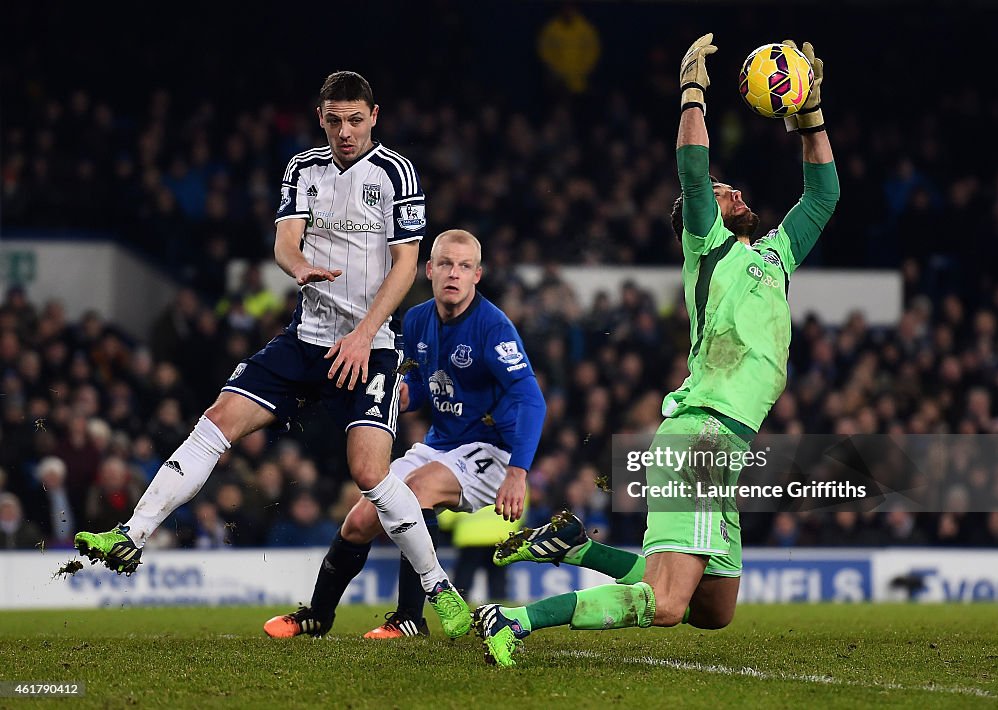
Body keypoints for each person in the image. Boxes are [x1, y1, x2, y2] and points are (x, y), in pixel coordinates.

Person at [472, 34, 840, 666]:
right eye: (723, 192)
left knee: (712, 610)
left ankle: (575, 550)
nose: (731, 191)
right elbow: (692, 173)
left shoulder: (774, 258)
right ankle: (511, 619)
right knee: (665, 603)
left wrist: (810, 118)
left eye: (729, 189)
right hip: (702, 438)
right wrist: (692, 93)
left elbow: (823, 196)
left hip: (727, 443)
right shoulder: (709, 246)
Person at [74, 71, 474, 638]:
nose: (345, 131)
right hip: (305, 338)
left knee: (370, 473)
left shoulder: (394, 173)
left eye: (356, 119)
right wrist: (298, 266)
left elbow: (407, 263)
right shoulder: (301, 169)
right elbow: (286, 240)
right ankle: (131, 536)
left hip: (370, 348)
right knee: (216, 421)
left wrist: (363, 335)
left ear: (374, 117)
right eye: (334, 120)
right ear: (321, 118)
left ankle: (439, 590)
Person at [263, 229, 546, 638]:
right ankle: (319, 614)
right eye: (446, 264)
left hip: (493, 452)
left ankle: (410, 616)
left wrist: (518, 471)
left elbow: (532, 400)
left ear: (477, 275)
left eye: (465, 267)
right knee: (361, 518)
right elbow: (420, 389)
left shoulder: (493, 327)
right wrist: (393, 394)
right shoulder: (415, 320)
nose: (454, 274)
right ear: (428, 269)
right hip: (441, 445)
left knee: (413, 494)